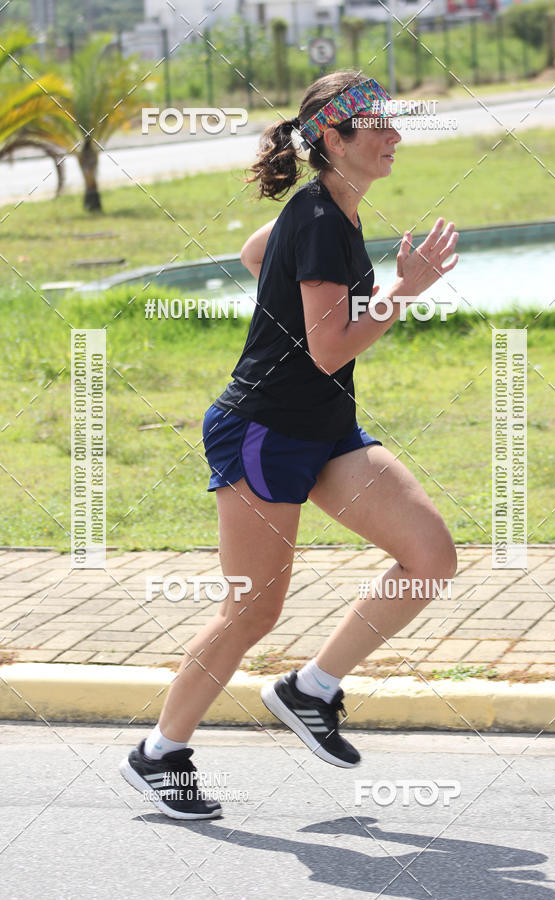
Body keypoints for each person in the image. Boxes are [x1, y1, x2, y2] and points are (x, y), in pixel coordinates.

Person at [120, 70, 459, 819]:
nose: (396, 137)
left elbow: (252, 251)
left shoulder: (329, 206)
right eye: (380, 127)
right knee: (251, 613)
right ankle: (159, 754)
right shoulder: (317, 218)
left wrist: (289, 292)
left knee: (430, 554)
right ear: (333, 139)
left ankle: (311, 689)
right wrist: (407, 287)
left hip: (326, 431)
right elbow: (330, 348)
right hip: (264, 434)